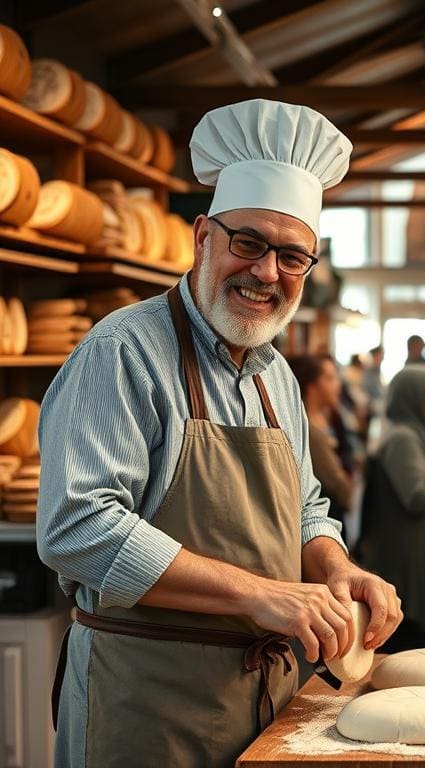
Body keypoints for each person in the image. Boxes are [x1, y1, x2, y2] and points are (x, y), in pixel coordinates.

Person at [37, 99, 401, 768]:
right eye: (249, 243)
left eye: (293, 257)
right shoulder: (122, 352)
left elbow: (305, 510)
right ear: (203, 236)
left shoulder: (276, 376)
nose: (267, 273)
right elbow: (77, 528)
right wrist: (263, 594)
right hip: (149, 705)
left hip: (263, 704)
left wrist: (337, 569)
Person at [357, 365, 425, 652]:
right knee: (409, 643)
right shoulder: (404, 438)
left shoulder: (415, 433)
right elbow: (416, 496)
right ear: (416, 396)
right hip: (407, 555)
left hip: (416, 548)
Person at [288, 354, 356, 522]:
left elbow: (347, 455)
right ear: (312, 386)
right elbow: (338, 486)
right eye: (330, 378)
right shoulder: (305, 429)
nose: (338, 384)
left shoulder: (334, 417)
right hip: (321, 516)